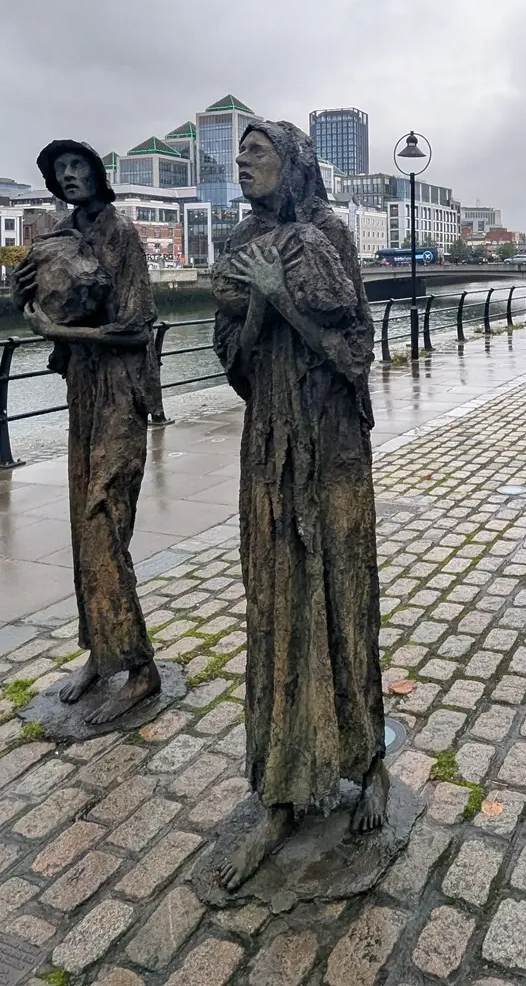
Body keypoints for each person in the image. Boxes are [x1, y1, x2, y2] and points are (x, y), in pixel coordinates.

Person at [209, 120, 386, 890]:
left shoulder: (329, 234)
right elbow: (233, 360)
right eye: (239, 155)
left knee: (344, 595)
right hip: (271, 447)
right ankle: (281, 784)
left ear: (294, 164)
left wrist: (284, 299)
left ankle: (365, 760)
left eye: (258, 154)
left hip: (333, 446)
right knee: (277, 603)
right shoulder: (242, 236)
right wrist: (258, 308)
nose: (243, 165)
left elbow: (354, 349)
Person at [12, 141, 160, 725]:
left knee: (103, 519)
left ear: (99, 174)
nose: (69, 175)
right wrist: (23, 296)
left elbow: (133, 330)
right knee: (81, 522)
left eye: (78, 167)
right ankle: (101, 652)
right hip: (84, 391)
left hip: (122, 392)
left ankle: (139, 667)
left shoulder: (122, 233)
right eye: (59, 170)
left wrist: (62, 332)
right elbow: (47, 309)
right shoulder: (58, 233)